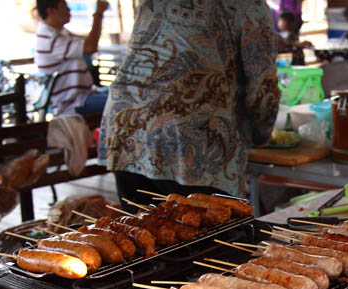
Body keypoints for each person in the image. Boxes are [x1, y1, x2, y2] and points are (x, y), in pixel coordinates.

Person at [98, 0, 280, 210]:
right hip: (190, 132)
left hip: (126, 121)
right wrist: (261, 135)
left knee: (143, 225)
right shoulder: (250, 5)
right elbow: (263, 88)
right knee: (211, 227)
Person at [34, 0, 110, 116]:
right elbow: (90, 46)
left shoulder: (60, 33)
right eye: (63, 5)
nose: (69, 9)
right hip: (72, 104)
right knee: (125, 102)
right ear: (51, 11)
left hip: (87, 94)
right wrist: (98, 14)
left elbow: (89, 42)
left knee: (127, 93)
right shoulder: (49, 39)